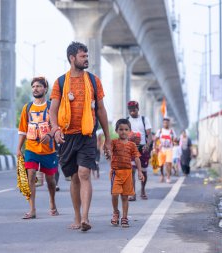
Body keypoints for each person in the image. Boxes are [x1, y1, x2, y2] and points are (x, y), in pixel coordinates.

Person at [49, 41, 111, 232]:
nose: (86, 59)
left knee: (84, 173)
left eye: (87, 56)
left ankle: (85, 218)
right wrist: (56, 129)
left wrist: (108, 138)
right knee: (74, 177)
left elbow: (101, 110)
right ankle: (76, 217)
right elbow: (53, 110)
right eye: (83, 56)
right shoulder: (60, 82)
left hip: (87, 135)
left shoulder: (93, 81)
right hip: (67, 136)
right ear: (72, 58)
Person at [17, 76, 59, 219]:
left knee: (50, 180)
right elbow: (22, 130)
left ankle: (52, 202)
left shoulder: (51, 107)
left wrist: (51, 135)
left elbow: (57, 126)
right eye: (33, 86)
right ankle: (32, 209)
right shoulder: (27, 108)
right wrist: (19, 148)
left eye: (39, 86)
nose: (35, 89)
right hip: (31, 148)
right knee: (31, 176)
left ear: (45, 89)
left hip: (49, 150)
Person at [110, 119, 144, 228]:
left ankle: (124, 217)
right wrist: (107, 152)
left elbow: (137, 158)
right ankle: (116, 212)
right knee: (115, 194)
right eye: (121, 129)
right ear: (116, 130)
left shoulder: (132, 145)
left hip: (128, 173)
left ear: (130, 131)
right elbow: (109, 151)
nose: (123, 132)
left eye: (126, 129)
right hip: (116, 172)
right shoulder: (114, 142)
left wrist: (139, 171)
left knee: (125, 197)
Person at [126, 101, 152, 201]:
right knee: (132, 170)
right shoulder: (127, 120)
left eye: (134, 110)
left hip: (143, 148)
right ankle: (132, 193)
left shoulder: (144, 119)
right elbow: (123, 133)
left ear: (138, 109)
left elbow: (149, 134)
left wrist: (148, 144)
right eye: (130, 110)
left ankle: (143, 190)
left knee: (143, 171)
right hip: (131, 148)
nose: (132, 112)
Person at [156, 117, 176, 183]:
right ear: (163, 123)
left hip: (169, 149)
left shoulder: (172, 131)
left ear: (169, 123)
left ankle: (168, 177)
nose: (166, 124)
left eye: (167, 123)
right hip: (161, 149)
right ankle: (162, 175)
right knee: (161, 164)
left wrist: (174, 141)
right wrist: (155, 147)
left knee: (168, 163)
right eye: (164, 123)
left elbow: (175, 139)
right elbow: (156, 139)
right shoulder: (160, 131)